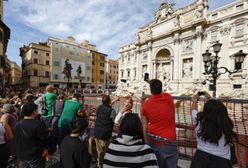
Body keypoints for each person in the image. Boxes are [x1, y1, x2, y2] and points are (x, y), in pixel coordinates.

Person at [190, 92, 237, 168]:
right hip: (221, 162)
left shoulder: (199, 121)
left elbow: (193, 110)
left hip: (200, 160)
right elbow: (216, 108)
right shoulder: (228, 125)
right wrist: (210, 98)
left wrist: (195, 100)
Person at [141, 79, 178, 168]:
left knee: (154, 165)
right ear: (161, 88)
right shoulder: (168, 98)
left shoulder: (146, 104)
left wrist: (146, 142)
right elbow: (159, 90)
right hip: (169, 140)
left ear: (150, 89)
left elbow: (144, 126)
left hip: (152, 140)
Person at [14, 103, 50, 168]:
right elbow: (45, 137)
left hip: (21, 155)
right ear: (34, 111)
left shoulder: (17, 123)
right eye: (37, 110)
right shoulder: (37, 124)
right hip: (35, 156)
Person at [93, 95, 117, 168]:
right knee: (104, 152)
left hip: (97, 133)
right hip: (105, 135)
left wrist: (114, 100)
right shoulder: (112, 111)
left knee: (99, 151)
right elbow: (116, 121)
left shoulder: (99, 108)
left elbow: (106, 106)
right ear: (109, 102)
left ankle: (99, 164)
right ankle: (102, 165)